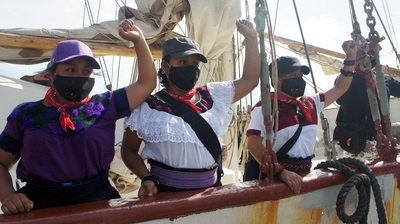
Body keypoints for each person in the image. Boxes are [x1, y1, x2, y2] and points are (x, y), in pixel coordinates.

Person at [0, 18, 156, 214]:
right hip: (38, 208)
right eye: (70, 69)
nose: (79, 76)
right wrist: (8, 195)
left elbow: (146, 83)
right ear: (51, 75)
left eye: (86, 71)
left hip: (98, 203)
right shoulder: (25, 114)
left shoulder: (106, 105)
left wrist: (139, 39)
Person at [121, 19, 260, 195]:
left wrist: (250, 38)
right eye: (183, 62)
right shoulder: (148, 107)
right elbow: (129, 150)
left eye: (194, 64)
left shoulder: (214, 95)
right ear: (165, 66)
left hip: (210, 194)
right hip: (166, 195)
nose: (190, 68)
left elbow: (250, 80)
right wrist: (146, 177)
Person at [244, 40, 363, 194]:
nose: (298, 79)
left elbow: (341, 87)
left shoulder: (310, 103)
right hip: (276, 180)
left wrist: (350, 59)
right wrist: (281, 172)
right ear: (277, 80)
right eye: (293, 75)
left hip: (303, 177)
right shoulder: (265, 108)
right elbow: (253, 144)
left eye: (300, 75)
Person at [333, 64, 400, 159]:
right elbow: (339, 99)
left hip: (381, 144)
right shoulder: (347, 79)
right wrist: (352, 65)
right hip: (354, 144)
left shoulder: (384, 80)